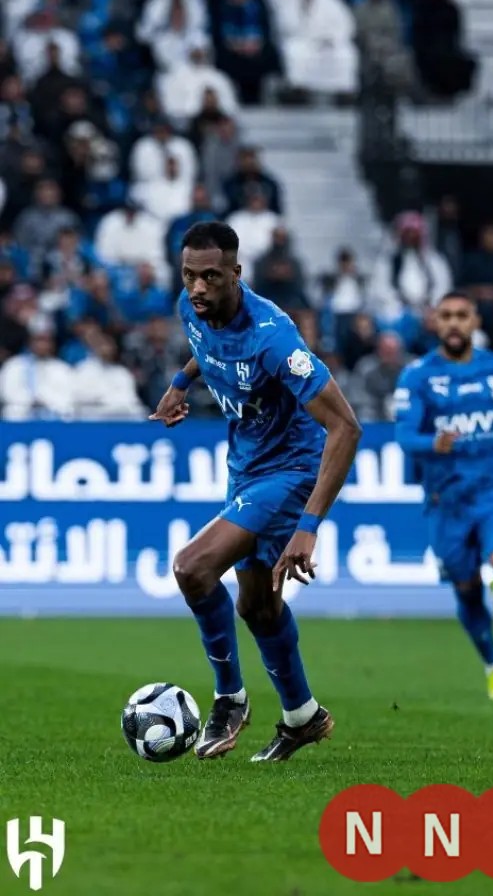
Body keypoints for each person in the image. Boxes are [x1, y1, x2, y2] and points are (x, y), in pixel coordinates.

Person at [148, 221, 362, 762]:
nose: (198, 288)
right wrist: (180, 383)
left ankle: (229, 699)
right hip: (246, 467)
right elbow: (209, 347)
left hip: (292, 471)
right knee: (258, 607)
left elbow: (346, 427)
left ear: (236, 274)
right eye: (189, 276)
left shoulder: (274, 337)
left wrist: (308, 526)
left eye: (211, 277)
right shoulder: (190, 306)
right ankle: (303, 717)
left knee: (192, 568)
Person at [393, 291, 493, 701]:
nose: (453, 323)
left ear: (475, 322)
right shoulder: (418, 376)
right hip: (446, 502)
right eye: (446, 316)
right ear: (435, 322)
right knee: (466, 589)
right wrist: (432, 443)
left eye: (461, 315)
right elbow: (404, 435)